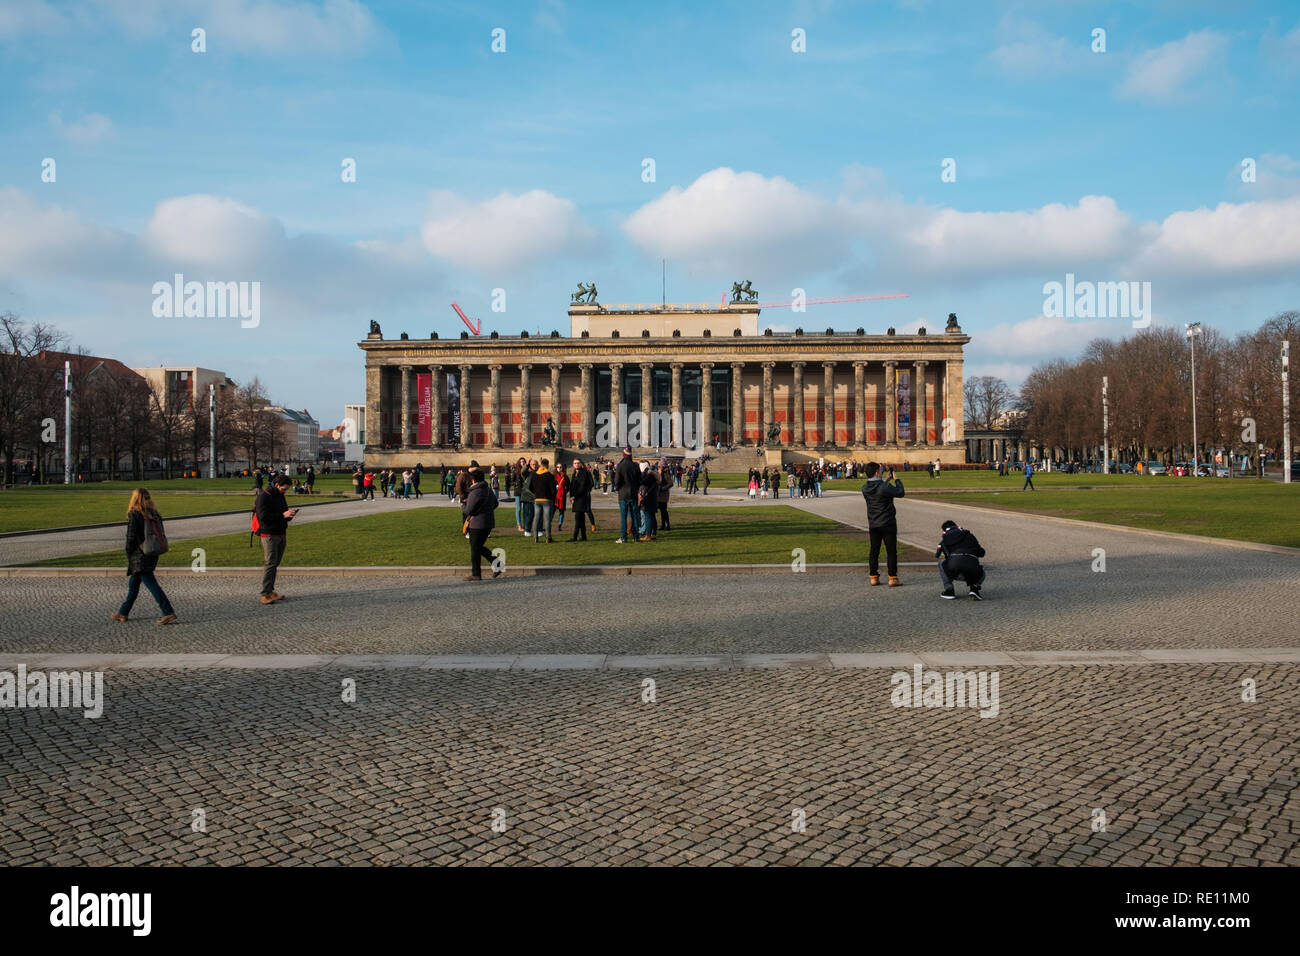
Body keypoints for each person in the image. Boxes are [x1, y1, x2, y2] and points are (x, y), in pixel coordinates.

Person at [110, 488, 177, 625]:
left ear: (135, 499)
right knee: (133, 584)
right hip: (152, 551)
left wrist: (128, 552)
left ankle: (168, 612)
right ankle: (123, 612)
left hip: (139, 554)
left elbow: (131, 537)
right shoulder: (154, 513)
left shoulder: (135, 514)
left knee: (151, 584)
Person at [255, 474, 299, 604]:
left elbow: (282, 513)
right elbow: (263, 517)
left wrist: (289, 515)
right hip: (269, 534)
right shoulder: (263, 496)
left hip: (281, 533)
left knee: (275, 564)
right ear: (277, 485)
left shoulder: (280, 495)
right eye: (283, 489)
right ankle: (265, 594)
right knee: (270, 564)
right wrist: (282, 515)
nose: (285, 491)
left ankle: (270, 591)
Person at [861, 462, 904, 586]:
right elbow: (900, 492)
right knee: (891, 551)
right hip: (887, 522)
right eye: (880, 470)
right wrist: (897, 480)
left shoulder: (864, 488)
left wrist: (886, 480)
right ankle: (893, 577)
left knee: (874, 550)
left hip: (873, 523)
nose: (881, 472)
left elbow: (878, 490)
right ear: (876, 472)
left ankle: (874, 577)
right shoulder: (884, 487)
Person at [461, 467, 501, 581]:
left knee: (475, 549)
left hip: (477, 524)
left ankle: (476, 574)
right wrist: (486, 511)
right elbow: (495, 504)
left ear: (473, 480)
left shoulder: (475, 492)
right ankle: (497, 564)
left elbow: (468, 511)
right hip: (488, 523)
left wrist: (462, 505)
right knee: (478, 547)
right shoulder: (487, 490)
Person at [935, 519, 986, 600]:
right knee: (982, 569)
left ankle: (949, 591)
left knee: (941, 563)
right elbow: (982, 553)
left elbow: (937, 555)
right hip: (973, 572)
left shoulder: (945, 539)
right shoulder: (969, 535)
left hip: (955, 571)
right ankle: (974, 589)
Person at [614, 447, 641, 543]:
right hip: (633, 493)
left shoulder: (620, 466)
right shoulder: (635, 465)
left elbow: (616, 481)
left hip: (623, 494)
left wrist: (618, 488)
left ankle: (623, 537)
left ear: (623, 455)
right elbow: (640, 480)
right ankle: (636, 537)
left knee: (623, 517)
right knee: (634, 516)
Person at [529, 458, 557, 542]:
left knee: (536, 518)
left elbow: (530, 487)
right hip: (547, 499)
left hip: (537, 499)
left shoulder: (535, 475)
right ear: (547, 465)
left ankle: (535, 537)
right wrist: (552, 497)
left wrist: (536, 493)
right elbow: (553, 489)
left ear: (541, 465)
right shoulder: (549, 475)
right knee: (547, 519)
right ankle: (548, 537)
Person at [568, 460, 593, 542]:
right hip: (576, 498)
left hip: (581, 498)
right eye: (575, 463)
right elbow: (572, 486)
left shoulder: (584, 473)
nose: (576, 464)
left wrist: (574, 496)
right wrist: (571, 496)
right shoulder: (574, 473)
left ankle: (575, 536)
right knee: (581, 518)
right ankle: (583, 536)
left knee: (578, 518)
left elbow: (582, 487)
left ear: (581, 464)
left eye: (578, 463)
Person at [638, 462, 659, 540]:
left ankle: (648, 535)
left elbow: (642, 482)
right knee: (652, 517)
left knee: (648, 517)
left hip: (648, 499)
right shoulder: (653, 474)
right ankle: (653, 533)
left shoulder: (648, 476)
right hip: (653, 498)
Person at [657, 460, 673, 531]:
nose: (658, 467)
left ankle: (667, 525)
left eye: (659, 466)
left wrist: (662, 488)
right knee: (662, 510)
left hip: (663, 495)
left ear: (662, 467)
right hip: (661, 495)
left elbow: (670, 483)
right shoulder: (662, 473)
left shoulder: (666, 474)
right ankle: (663, 525)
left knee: (664, 510)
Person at [554, 464, 568, 531]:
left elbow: (568, 486)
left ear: (562, 468)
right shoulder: (553, 477)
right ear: (556, 468)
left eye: (560, 467)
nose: (559, 468)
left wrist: (564, 491)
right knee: (552, 511)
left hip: (562, 497)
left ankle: (559, 525)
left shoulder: (565, 477)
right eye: (558, 467)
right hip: (555, 496)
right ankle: (548, 524)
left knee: (561, 512)